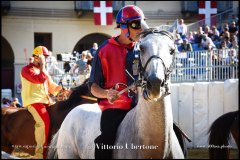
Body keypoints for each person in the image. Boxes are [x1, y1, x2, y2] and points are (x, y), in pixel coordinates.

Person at [89, 5, 148, 159]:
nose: (140, 29)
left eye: (141, 23)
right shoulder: (104, 50)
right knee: (105, 142)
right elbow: (93, 87)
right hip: (114, 109)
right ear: (123, 27)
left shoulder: (142, 49)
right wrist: (106, 93)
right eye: (136, 24)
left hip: (141, 106)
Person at [20, 45, 70, 159]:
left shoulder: (44, 70)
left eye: (46, 57)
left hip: (47, 101)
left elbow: (52, 87)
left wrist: (62, 90)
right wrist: (42, 65)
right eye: (44, 57)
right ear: (36, 57)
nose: (46, 60)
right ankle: (39, 155)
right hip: (34, 102)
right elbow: (39, 79)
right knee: (43, 123)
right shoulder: (26, 70)